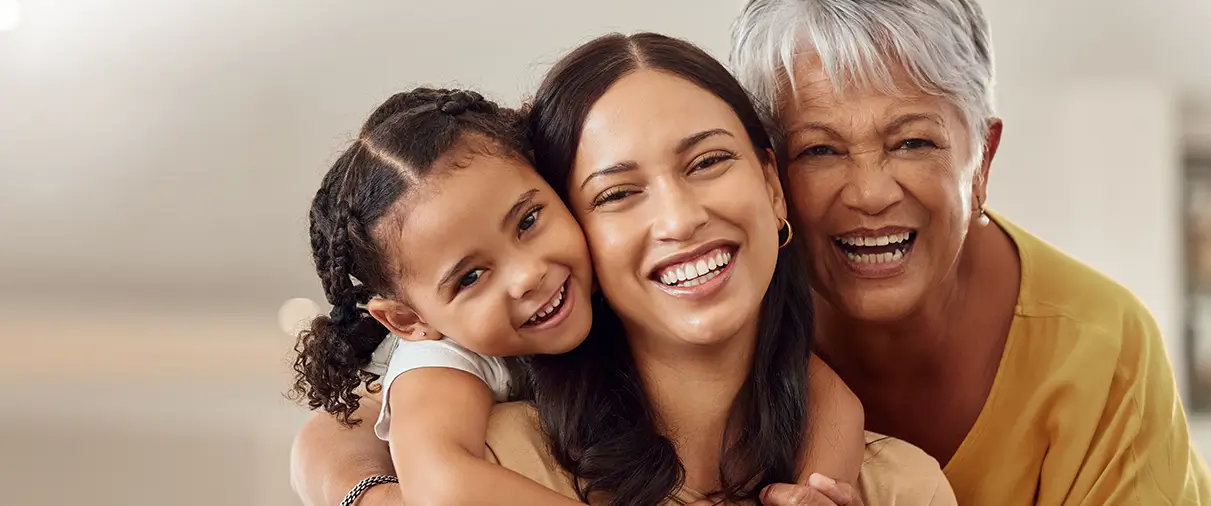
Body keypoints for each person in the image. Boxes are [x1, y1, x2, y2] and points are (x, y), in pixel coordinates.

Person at [729, 0, 1211, 504]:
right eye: (819, 150)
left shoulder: (1104, 345)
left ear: (983, 159)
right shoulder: (728, 332)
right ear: (770, 176)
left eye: (912, 143)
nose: (870, 194)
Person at [288, 86, 867, 506]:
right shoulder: (440, 360)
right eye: (470, 277)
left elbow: (824, 391)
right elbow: (442, 486)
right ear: (408, 319)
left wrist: (814, 486)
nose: (527, 275)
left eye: (529, 220)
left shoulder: (604, 286)